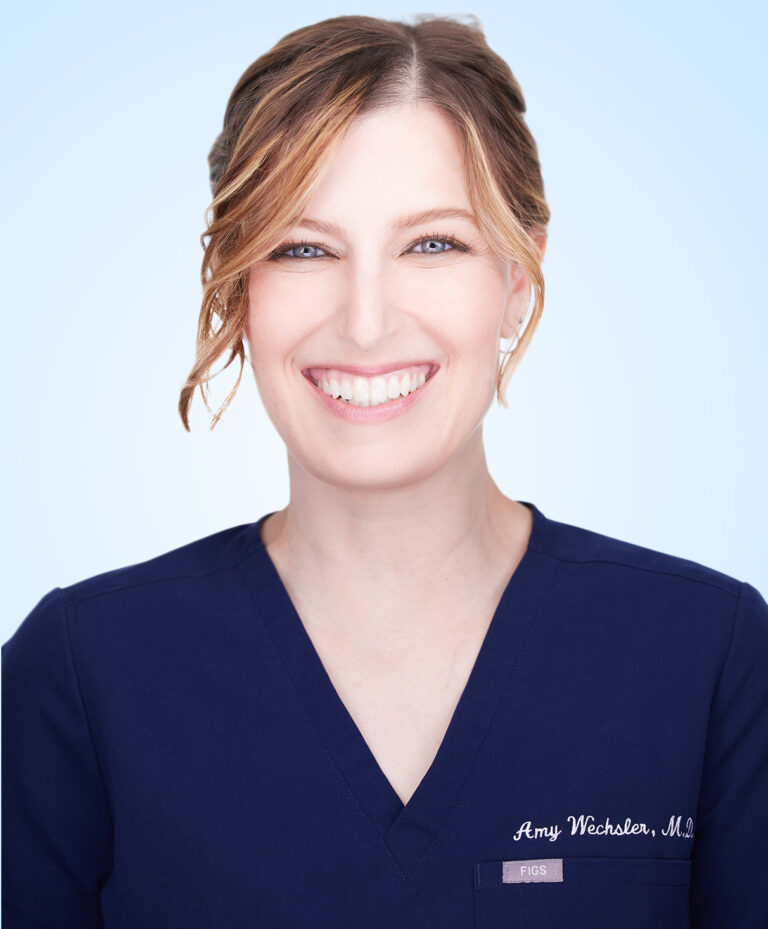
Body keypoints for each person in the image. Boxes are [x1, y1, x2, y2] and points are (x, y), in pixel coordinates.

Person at [3, 13, 767, 929]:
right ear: (237, 283)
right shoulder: (79, 678)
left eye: (433, 243)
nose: (366, 322)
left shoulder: (708, 656)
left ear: (518, 277)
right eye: (302, 247)